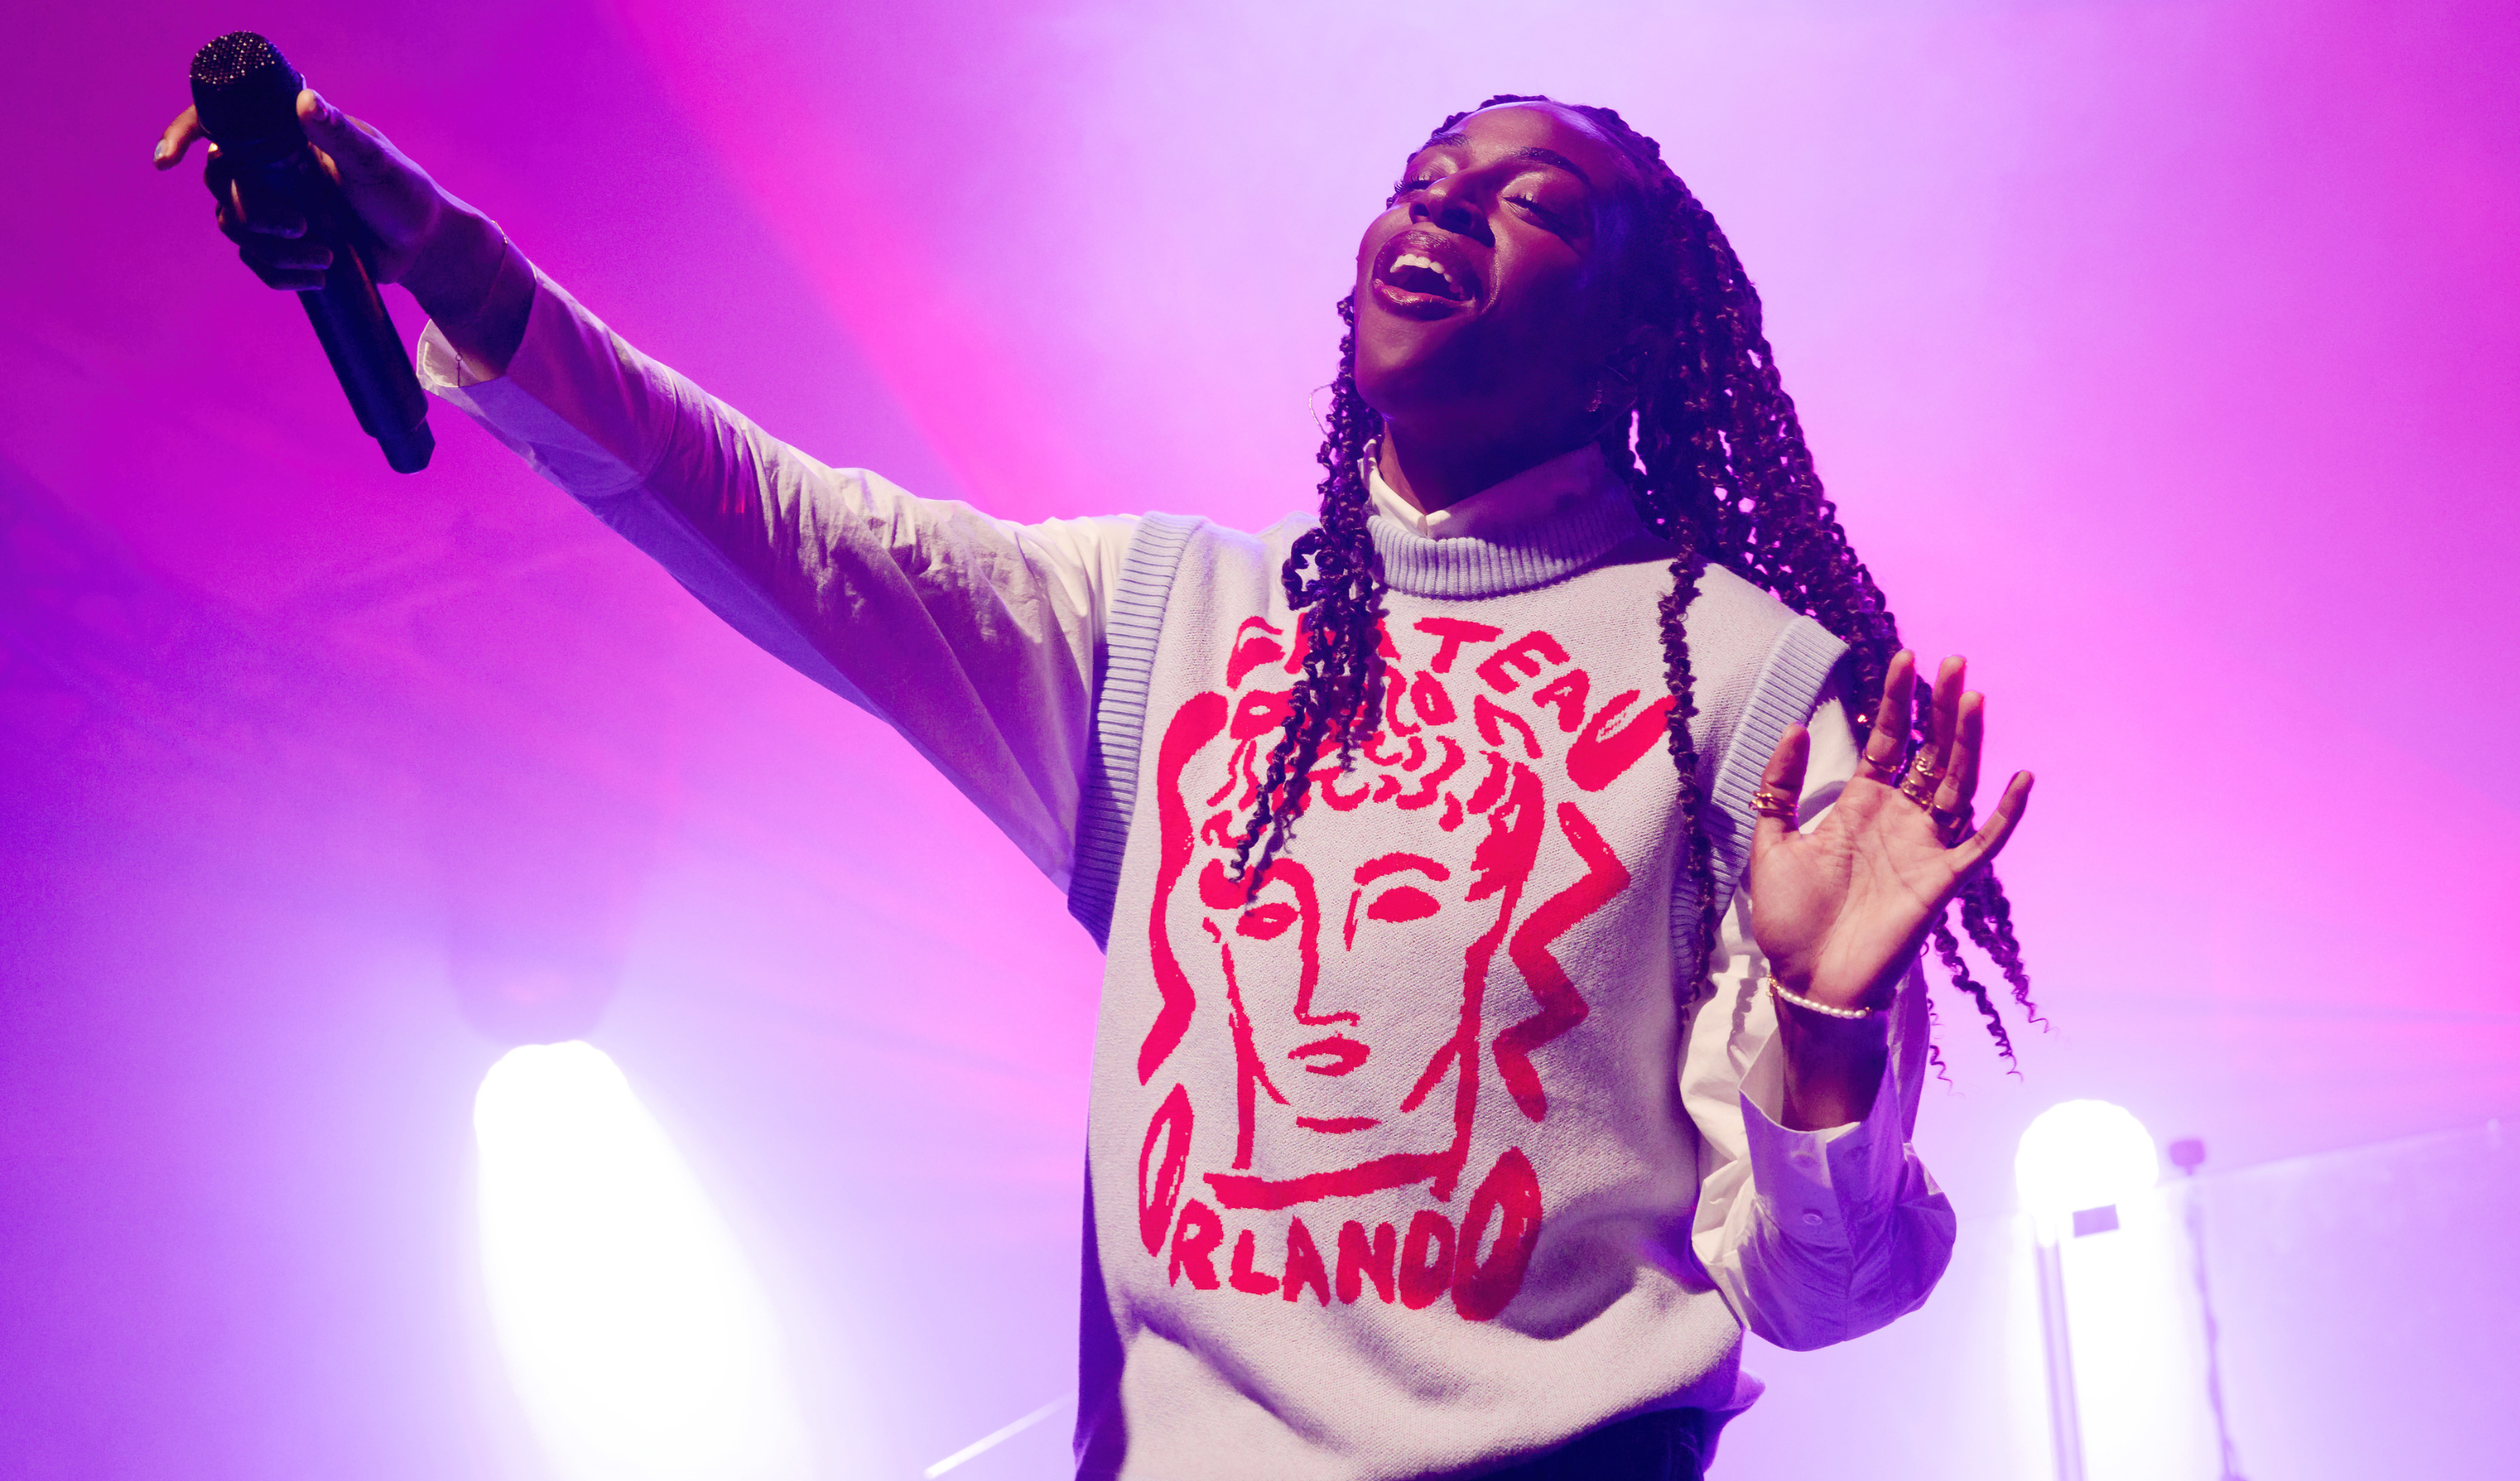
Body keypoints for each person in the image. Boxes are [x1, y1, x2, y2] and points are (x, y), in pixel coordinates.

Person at [160, 85, 2035, 1480]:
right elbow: (770, 516)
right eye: (1417, 179)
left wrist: (1827, 1029)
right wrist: (433, 244)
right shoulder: (1170, 619)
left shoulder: (1748, 677)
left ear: (1633, 326)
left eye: (1530, 201)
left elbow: (1822, 1289)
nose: (1441, 207)